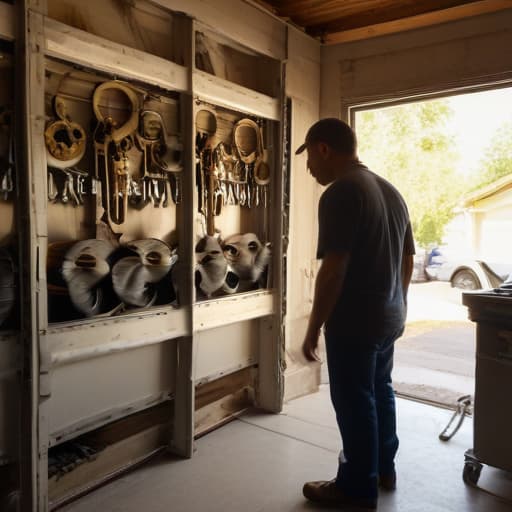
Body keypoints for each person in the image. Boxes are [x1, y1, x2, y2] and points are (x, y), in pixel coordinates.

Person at [296, 118, 415, 510]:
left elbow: (335, 268)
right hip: (387, 317)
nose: (310, 166)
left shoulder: (341, 192)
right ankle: (383, 469)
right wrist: (398, 300)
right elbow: (408, 258)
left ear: (324, 149)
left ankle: (355, 487)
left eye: (309, 156)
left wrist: (312, 327)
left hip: (355, 321)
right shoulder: (391, 191)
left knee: (354, 400)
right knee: (380, 390)